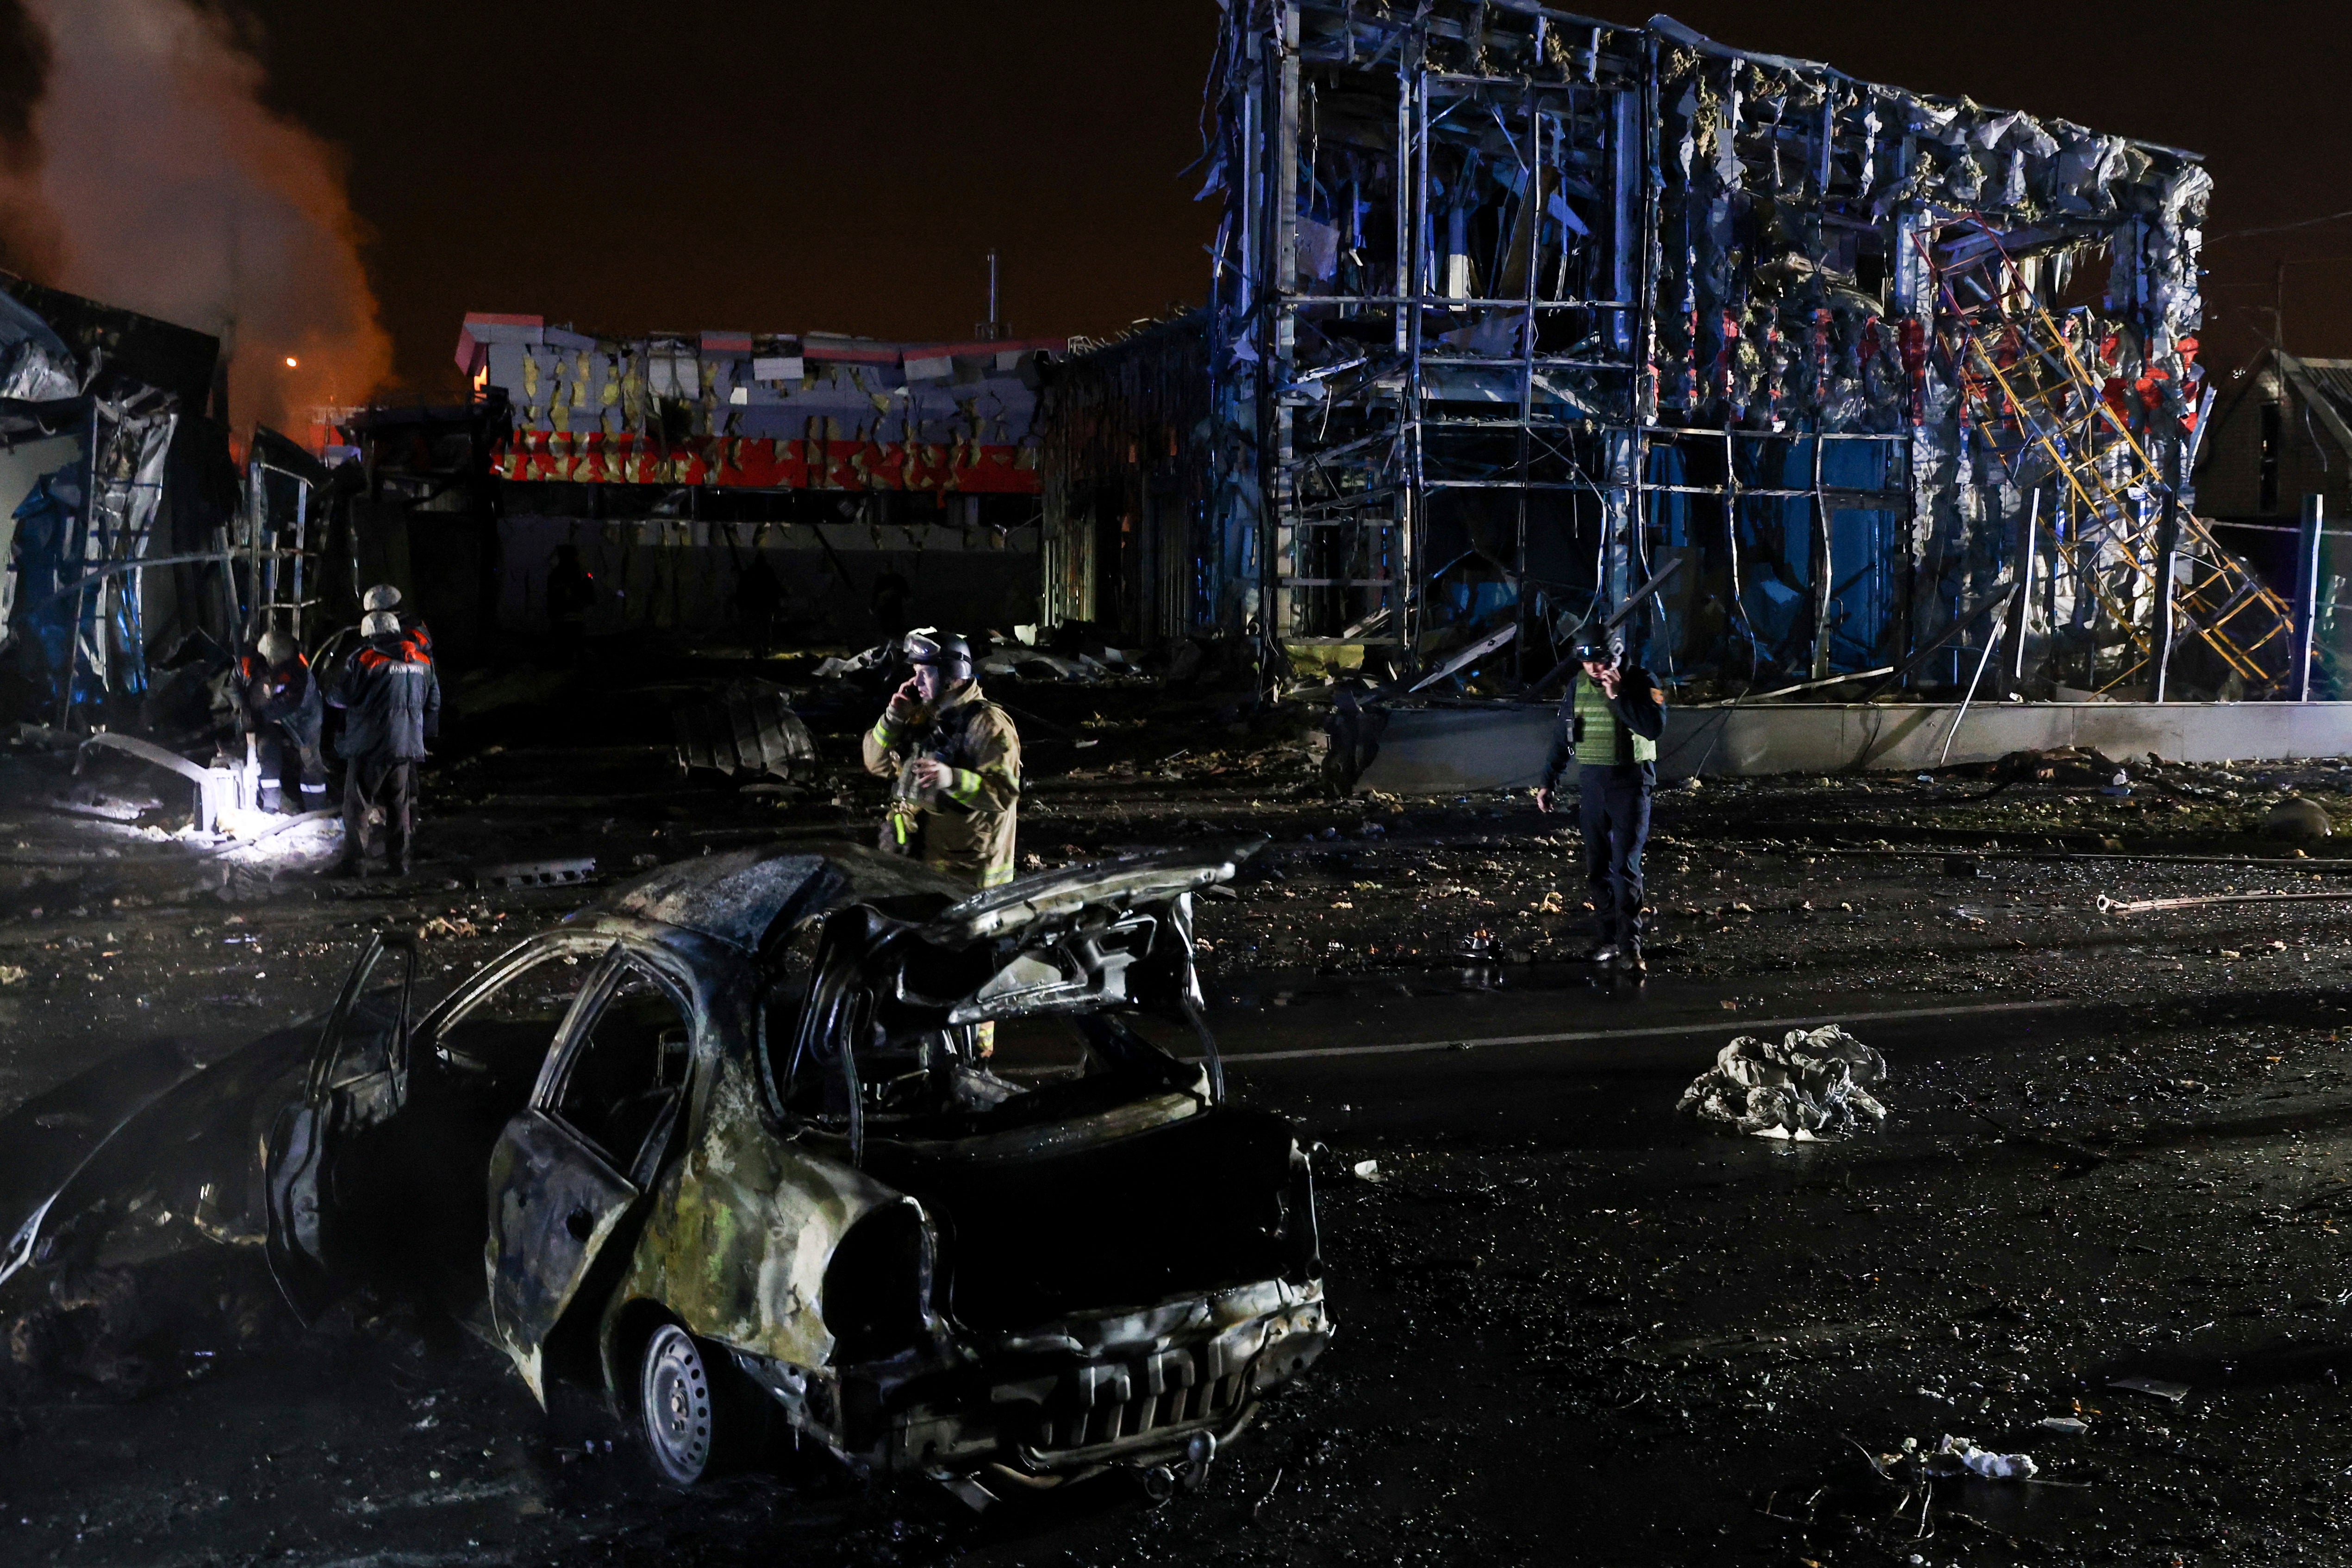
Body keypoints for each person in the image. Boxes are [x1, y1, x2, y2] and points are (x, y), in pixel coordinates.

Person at [1535, 628, 1666, 976]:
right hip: (1593, 782)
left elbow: (1653, 727)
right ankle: (1608, 938)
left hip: (1631, 783)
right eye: (1587, 660)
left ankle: (1630, 947)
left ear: (1616, 656)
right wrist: (1549, 778)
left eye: (1600, 660)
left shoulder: (1641, 680)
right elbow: (1565, 734)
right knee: (1598, 867)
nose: (1594, 668)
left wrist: (1617, 695)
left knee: (1625, 867)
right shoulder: (1577, 685)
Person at [861, 628, 1020, 890]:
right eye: (915, 674)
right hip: (920, 862)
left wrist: (951, 779)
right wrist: (893, 717)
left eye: (924, 674)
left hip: (968, 875)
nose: (916, 683)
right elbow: (876, 764)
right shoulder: (922, 715)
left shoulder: (989, 725)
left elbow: (1003, 794)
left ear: (950, 677)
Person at [328, 609, 441, 877]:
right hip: (406, 746)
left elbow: (340, 696)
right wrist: (420, 736)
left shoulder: (365, 658)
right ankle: (399, 864)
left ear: (370, 634)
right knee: (399, 805)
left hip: (370, 746)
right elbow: (433, 701)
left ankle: (355, 865)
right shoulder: (423, 659)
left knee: (358, 806)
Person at [238, 629, 327, 814]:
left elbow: (291, 703)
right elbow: (236, 683)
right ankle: (271, 805)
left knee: (309, 759)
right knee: (267, 750)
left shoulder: (298, 671)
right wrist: (243, 709)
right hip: (272, 714)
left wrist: (259, 716)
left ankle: (316, 809)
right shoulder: (253, 662)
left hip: (304, 717)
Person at [363, 583, 433, 665]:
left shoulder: (412, 624)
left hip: (415, 671)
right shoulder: (384, 623)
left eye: (374, 612)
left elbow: (410, 648)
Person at [546, 545, 595, 659]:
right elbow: (590, 587)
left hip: (560, 618)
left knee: (564, 650)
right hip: (574, 617)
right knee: (574, 648)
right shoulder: (582, 573)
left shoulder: (555, 574)